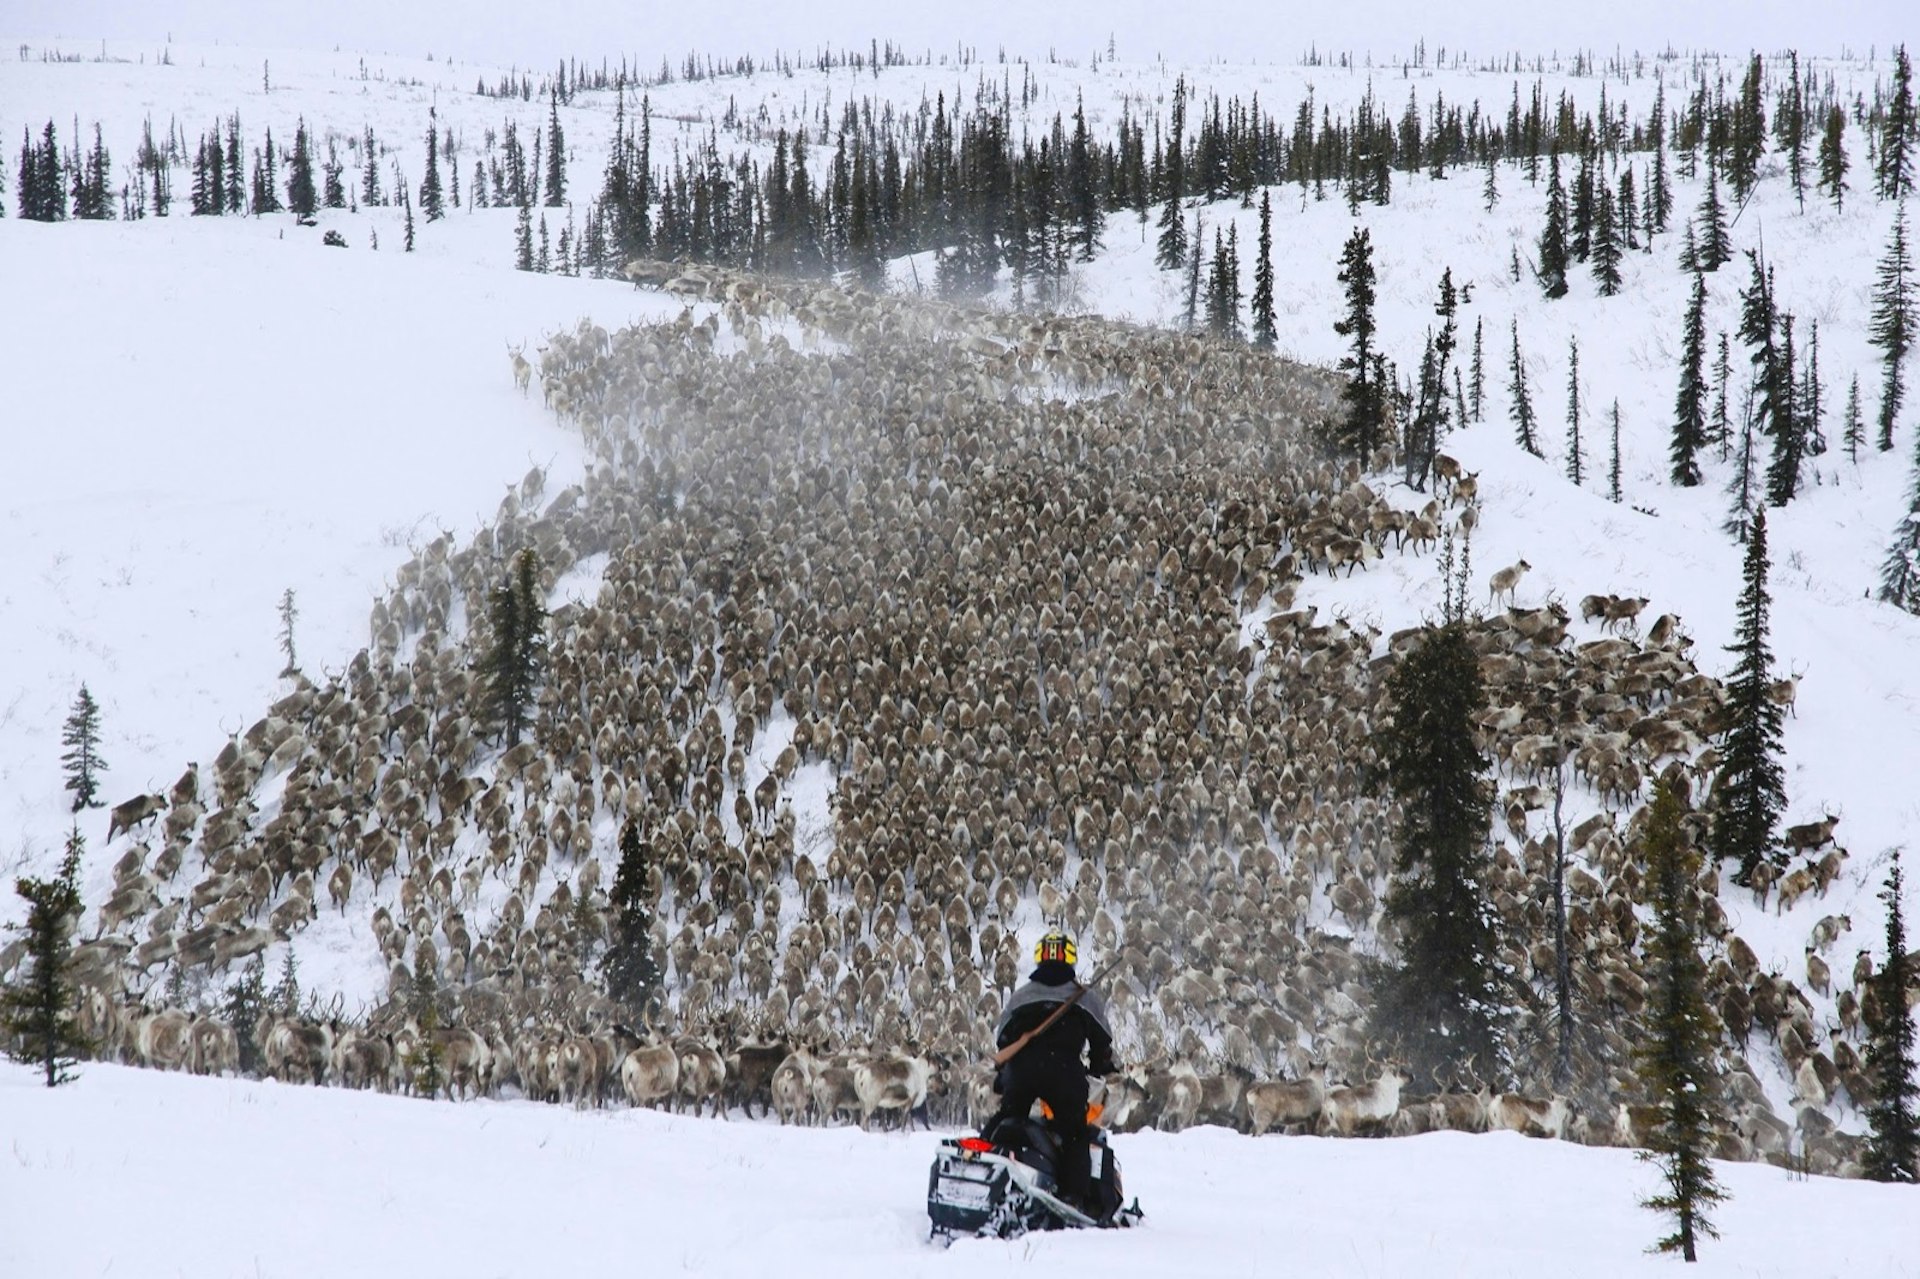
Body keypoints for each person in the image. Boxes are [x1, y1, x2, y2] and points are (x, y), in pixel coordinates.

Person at [990, 931, 1116, 1212]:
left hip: (1020, 1072)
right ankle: (1073, 1197)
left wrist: (1006, 1076)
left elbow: (1003, 1040)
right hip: (1064, 1074)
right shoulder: (1085, 998)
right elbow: (1102, 1045)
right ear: (1070, 958)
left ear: (1039, 957)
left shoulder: (1021, 996)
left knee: (1005, 1121)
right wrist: (1100, 1068)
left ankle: (983, 1164)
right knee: (1074, 1133)